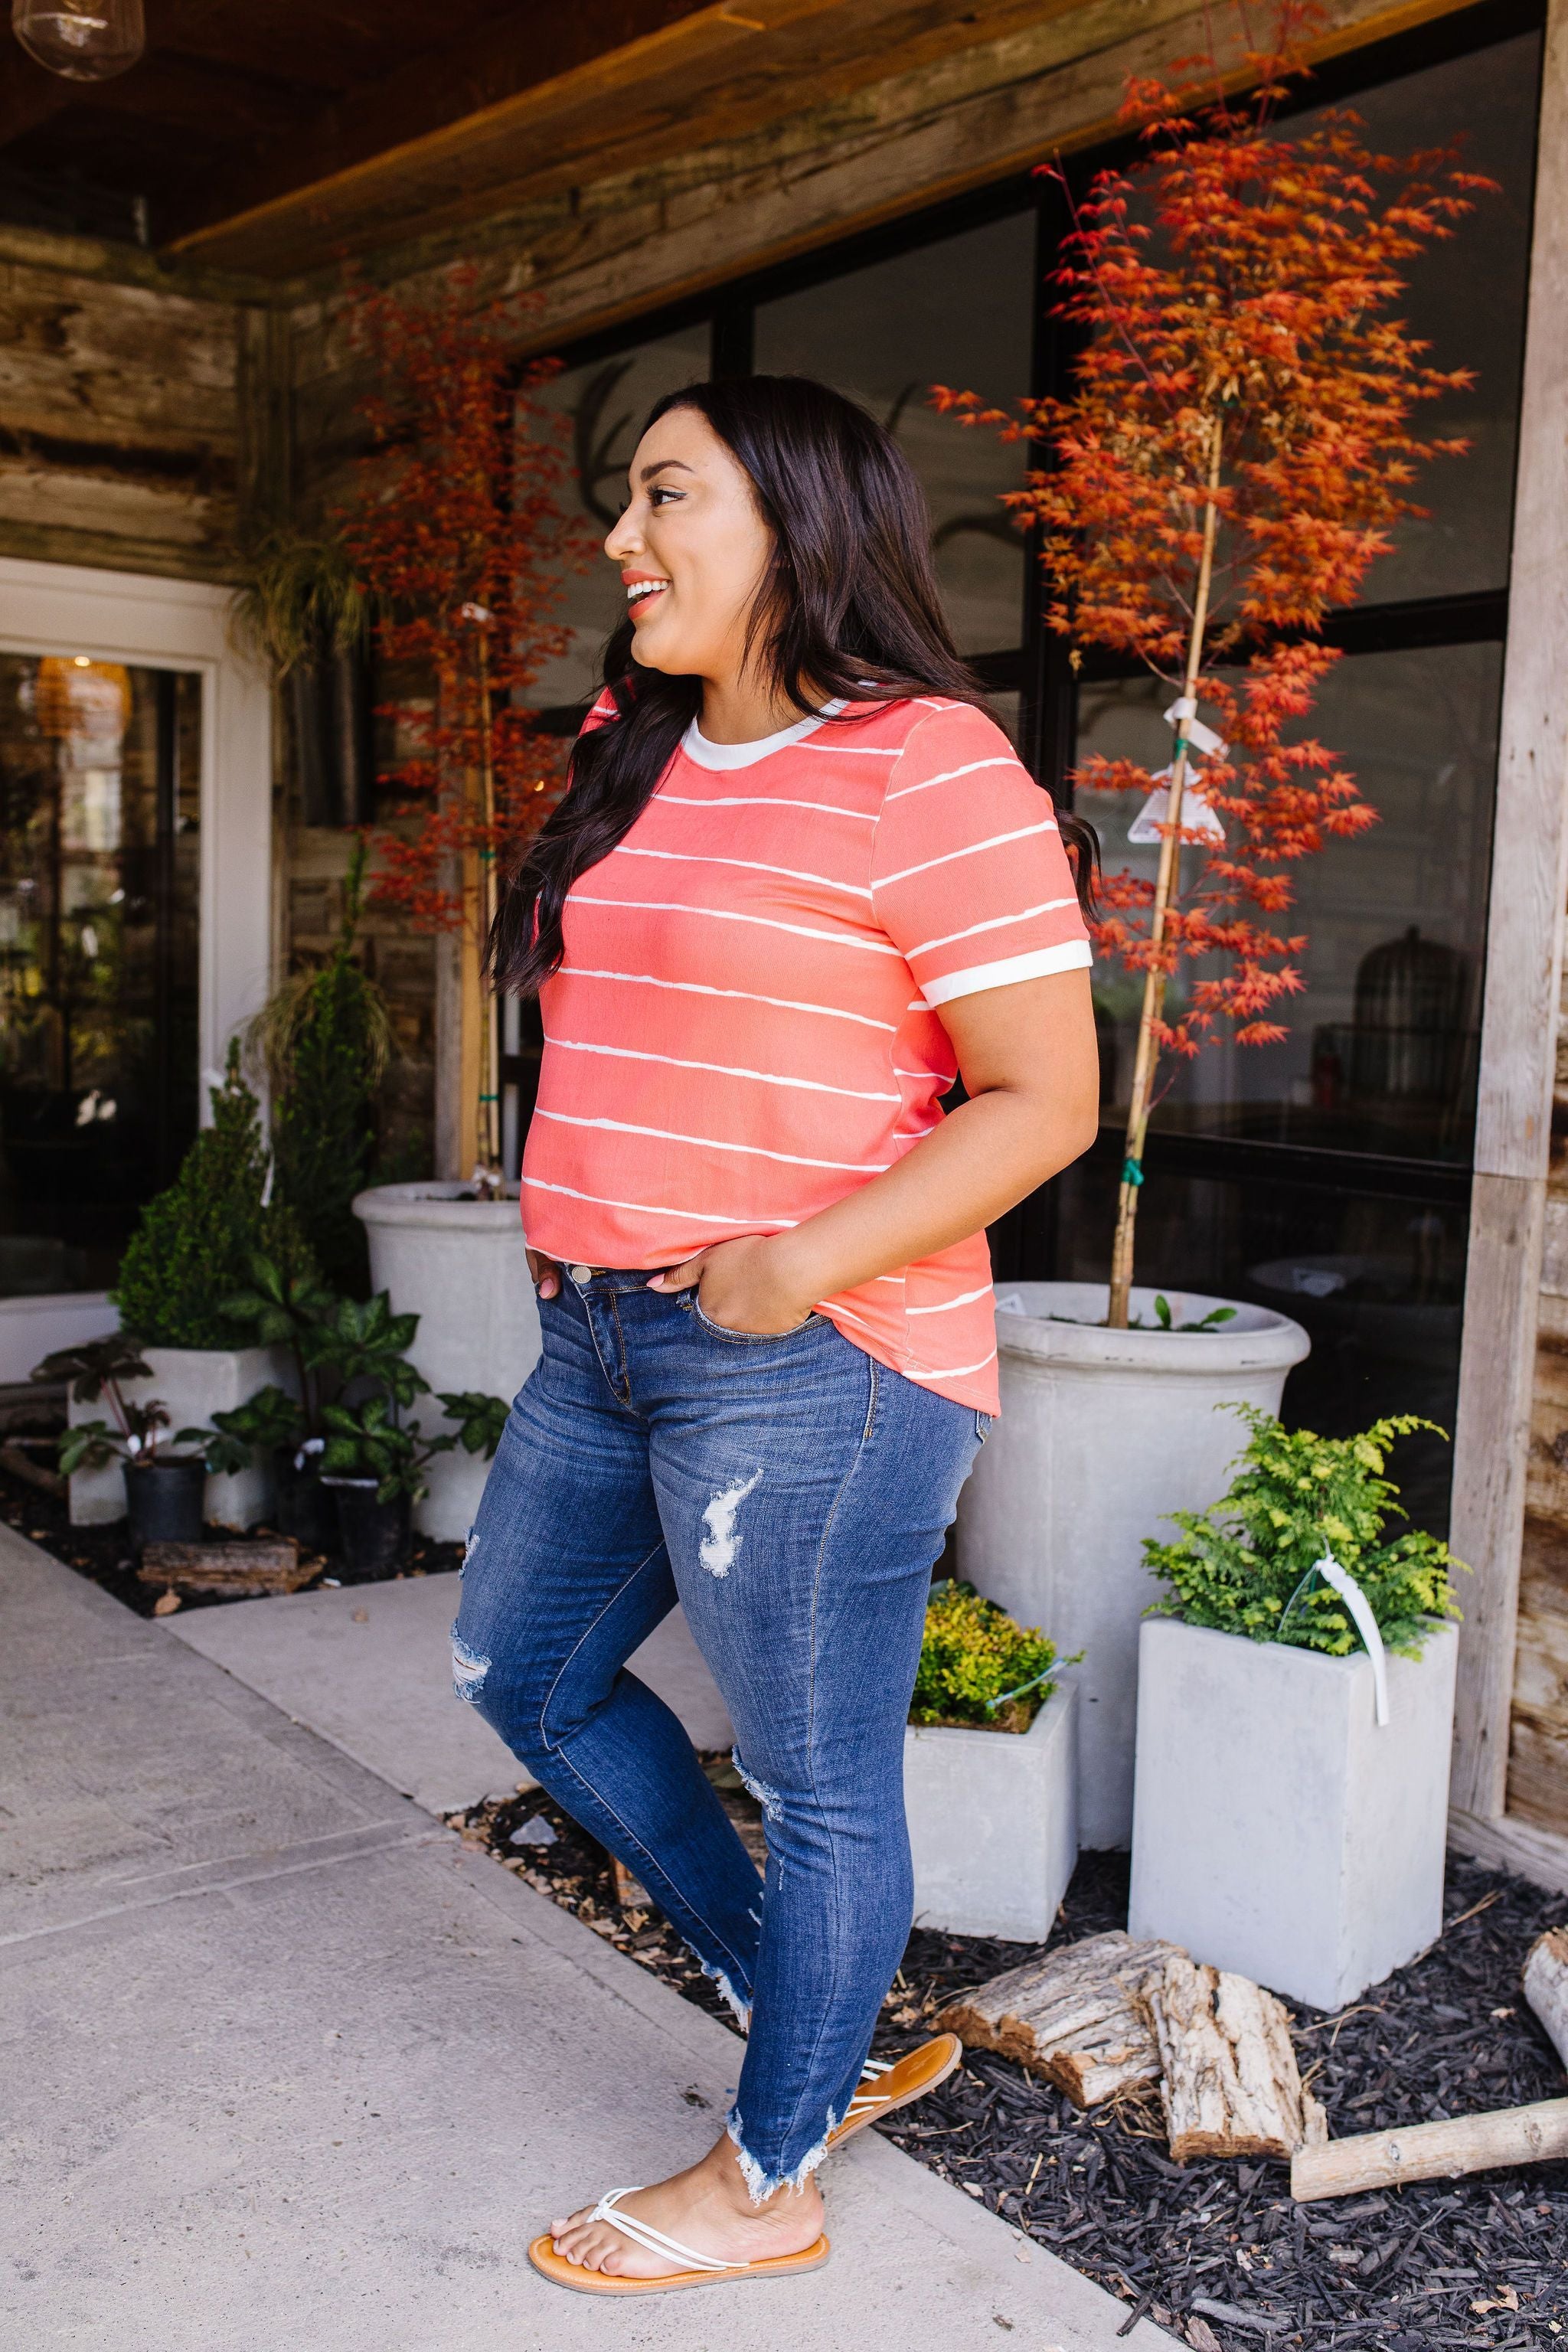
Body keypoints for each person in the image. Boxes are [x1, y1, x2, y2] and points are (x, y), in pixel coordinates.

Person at [455, 374, 1100, 2298]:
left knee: (820, 1784)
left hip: (811, 1352)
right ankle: (805, 2015)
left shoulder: (931, 766)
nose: (619, 541)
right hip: (605, 1335)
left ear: (797, 526)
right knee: (522, 1672)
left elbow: (1041, 1099)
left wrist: (794, 1264)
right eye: (626, 502)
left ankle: (770, 2174)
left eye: (665, 498)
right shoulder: (630, 742)